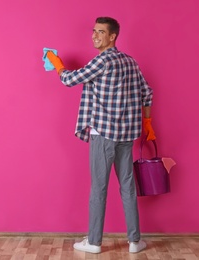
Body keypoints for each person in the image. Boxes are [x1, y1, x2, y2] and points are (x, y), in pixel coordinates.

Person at [46, 17, 155, 254]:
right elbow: (147, 93)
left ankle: (94, 242)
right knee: (127, 186)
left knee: (99, 188)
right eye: (94, 31)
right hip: (126, 134)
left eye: (101, 32)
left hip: (103, 134)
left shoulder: (102, 61)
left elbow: (69, 80)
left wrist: (57, 63)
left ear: (113, 36)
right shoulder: (130, 61)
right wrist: (147, 122)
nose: (95, 36)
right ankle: (135, 241)